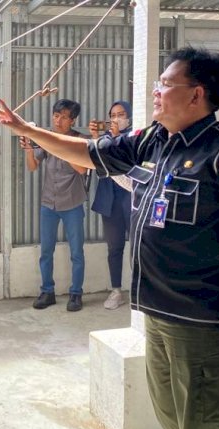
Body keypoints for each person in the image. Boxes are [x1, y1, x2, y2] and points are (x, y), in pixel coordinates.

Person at [0, 47, 219, 429]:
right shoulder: (155, 140)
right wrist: (32, 131)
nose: (155, 91)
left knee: (206, 428)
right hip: (159, 316)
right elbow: (88, 155)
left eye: (165, 83)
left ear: (196, 95)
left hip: (203, 321)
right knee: (174, 426)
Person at [21, 99, 88, 312]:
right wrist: (29, 149)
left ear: (73, 120)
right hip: (48, 203)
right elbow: (32, 167)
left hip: (73, 203)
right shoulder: (46, 139)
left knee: (76, 252)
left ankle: (76, 294)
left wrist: (60, 146)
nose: (58, 121)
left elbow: (82, 169)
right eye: (56, 116)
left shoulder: (80, 140)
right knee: (46, 251)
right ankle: (47, 291)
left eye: (64, 117)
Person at [88, 101, 133, 310]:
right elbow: (97, 160)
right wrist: (97, 139)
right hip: (111, 202)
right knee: (114, 247)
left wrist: (117, 138)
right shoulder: (104, 140)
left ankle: (140, 290)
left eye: (121, 114)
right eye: (113, 115)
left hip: (132, 200)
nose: (116, 119)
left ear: (130, 117)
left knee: (139, 248)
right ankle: (116, 291)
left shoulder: (136, 138)